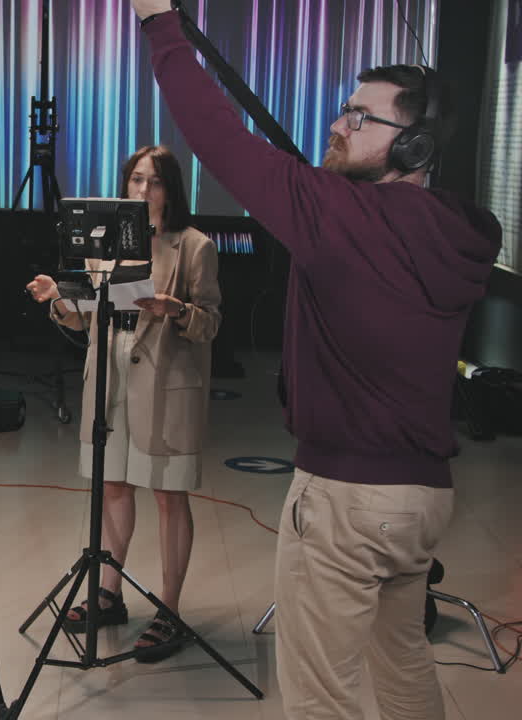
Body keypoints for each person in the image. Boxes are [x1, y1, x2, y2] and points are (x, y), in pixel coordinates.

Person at [131, 2, 501, 717]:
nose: (337, 124)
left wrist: (158, 22)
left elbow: (213, 131)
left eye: (361, 117)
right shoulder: (456, 229)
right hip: (420, 500)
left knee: (319, 699)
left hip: (346, 500)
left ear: (414, 148)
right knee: (402, 665)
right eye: (343, 109)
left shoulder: (340, 217)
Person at [26, 145, 221, 663]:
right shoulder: (103, 243)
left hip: (166, 384)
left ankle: (171, 609)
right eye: (136, 179)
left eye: (154, 182)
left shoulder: (194, 246)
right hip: (109, 378)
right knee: (113, 484)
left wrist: (176, 307)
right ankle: (108, 593)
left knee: (167, 494)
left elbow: (210, 323)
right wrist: (58, 298)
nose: (142, 191)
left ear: (171, 189)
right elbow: (84, 317)